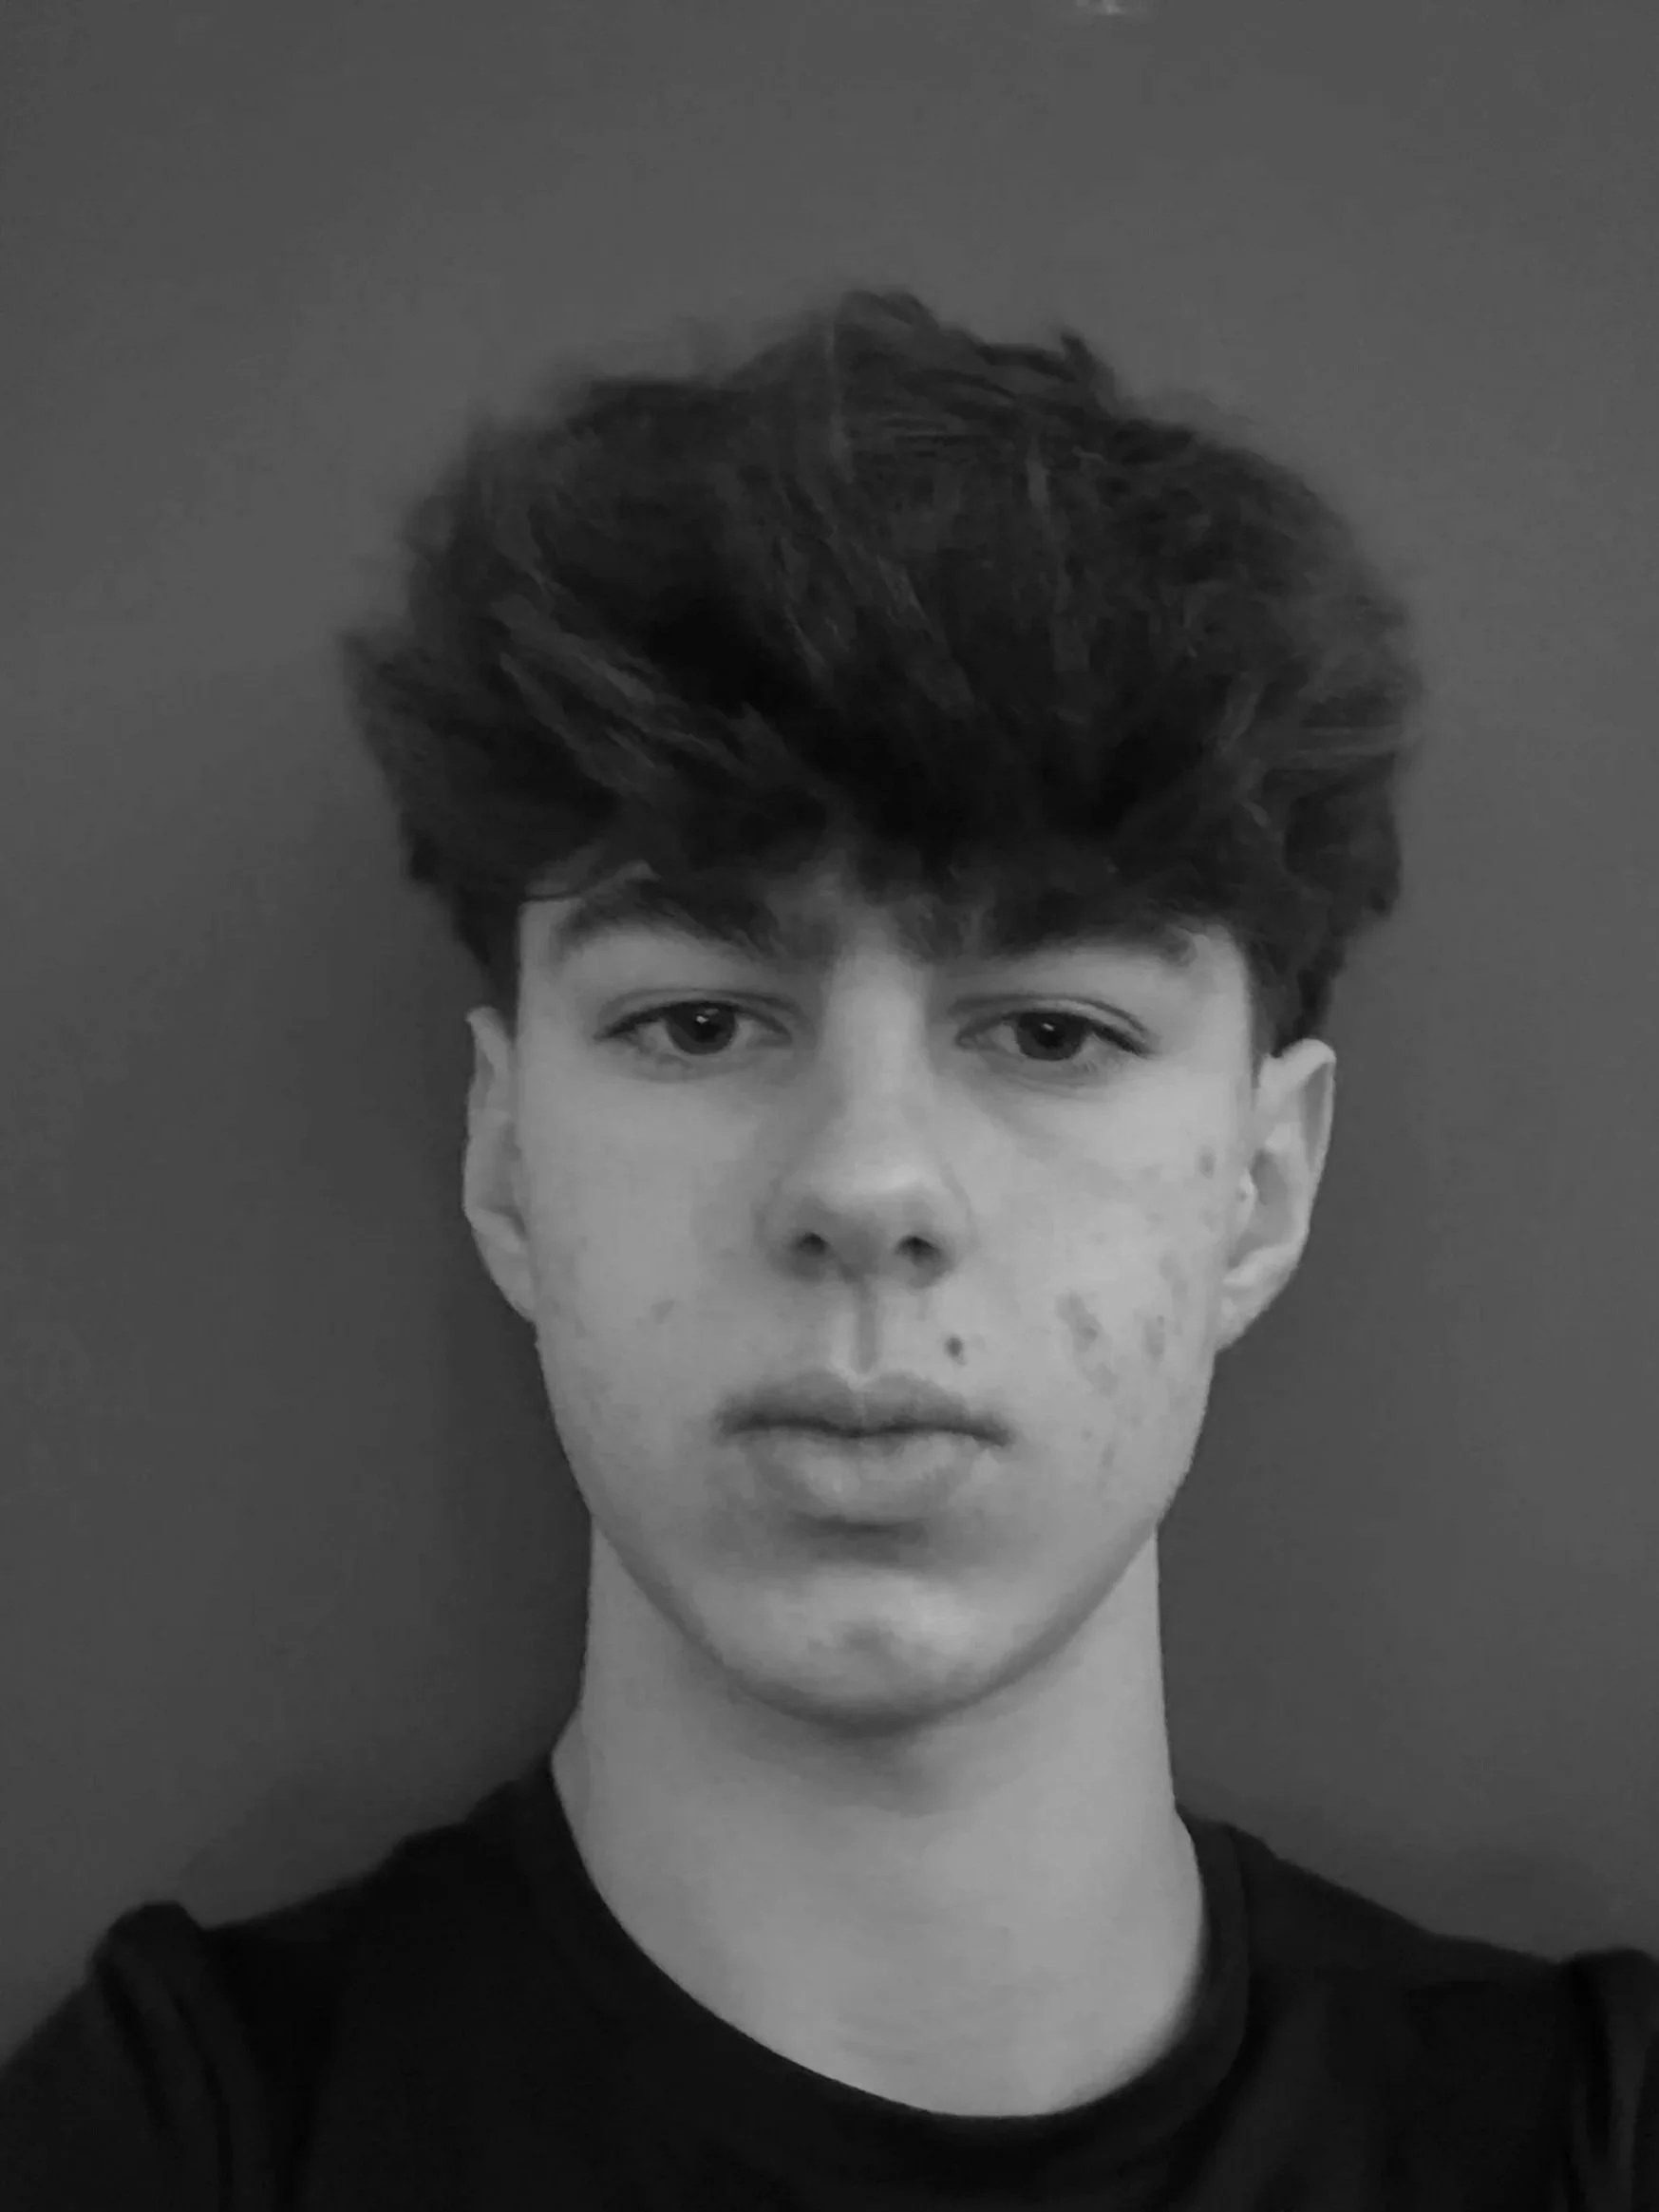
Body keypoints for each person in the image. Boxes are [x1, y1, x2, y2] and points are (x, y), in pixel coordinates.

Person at [4, 285, 1656, 2206]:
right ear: (510, 1159)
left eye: (1051, 1031)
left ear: (1262, 1191)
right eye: (698, 1022)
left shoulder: (1588, 2147)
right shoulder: (173, 2149)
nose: (867, 1184)